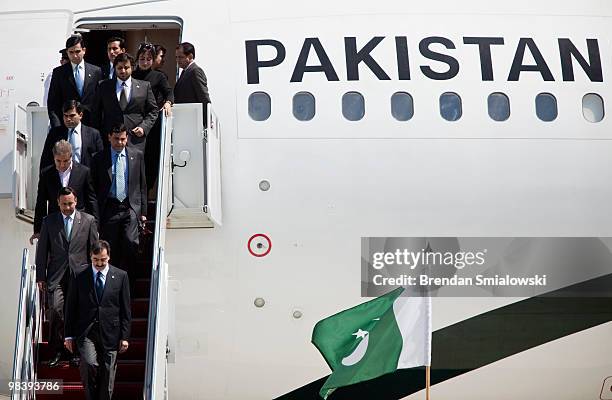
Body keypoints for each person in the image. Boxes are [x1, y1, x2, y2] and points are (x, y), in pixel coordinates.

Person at [36, 187, 98, 367]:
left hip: (80, 275)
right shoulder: (49, 221)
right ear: (58, 203)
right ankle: (57, 350)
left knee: (78, 314)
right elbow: (42, 252)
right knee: (55, 310)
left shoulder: (88, 220)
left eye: (70, 203)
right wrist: (41, 276)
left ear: (76, 201)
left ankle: (75, 353)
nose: (67, 207)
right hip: (56, 276)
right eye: (64, 204)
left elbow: (94, 250)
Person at [64, 240, 131, 400]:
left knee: (108, 375)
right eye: (95, 259)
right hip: (86, 331)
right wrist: (68, 335)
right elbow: (70, 307)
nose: (99, 263)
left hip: (111, 332)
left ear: (109, 257)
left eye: (103, 259)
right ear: (90, 257)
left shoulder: (121, 276)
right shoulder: (79, 275)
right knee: (89, 364)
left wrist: (124, 336)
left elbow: (125, 309)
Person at [91, 125, 146, 272]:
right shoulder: (99, 159)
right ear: (109, 137)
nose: (120, 143)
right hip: (109, 208)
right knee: (111, 248)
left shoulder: (137, 155)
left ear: (127, 138)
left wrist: (143, 212)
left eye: (123, 139)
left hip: (129, 207)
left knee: (131, 244)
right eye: (116, 139)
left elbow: (142, 186)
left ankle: (130, 284)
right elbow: (94, 189)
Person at [31, 141, 98, 244]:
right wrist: (38, 230)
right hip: (55, 224)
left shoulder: (84, 172)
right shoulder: (46, 174)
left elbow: (91, 200)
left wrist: (95, 227)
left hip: (79, 224)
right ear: (54, 157)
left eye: (66, 161)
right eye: (58, 161)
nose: (62, 165)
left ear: (71, 156)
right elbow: (41, 202)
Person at [93, 53, 158, 152]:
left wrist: (144, 127)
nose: (123, 71)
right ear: (115, 68)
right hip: (110, 139)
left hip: (135, 139)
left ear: (132, 67)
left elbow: (153, 110)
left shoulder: (144, 87)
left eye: (126, 67)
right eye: (119, 68)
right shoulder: (104, 86)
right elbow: (96, 111)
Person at [132, 43, 173, 190]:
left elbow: (169, 92)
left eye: (148, 58)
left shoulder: (159, 76)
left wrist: (168, 103)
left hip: (153, 124)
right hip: (134, 122)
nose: (145, 62)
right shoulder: (132, 74)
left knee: (150, 160)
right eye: (142, 58)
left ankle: (147, 192)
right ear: (137, 59)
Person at [47, 36, 102, 128]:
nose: (74, 55)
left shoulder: (96, 71)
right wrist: (57, 126)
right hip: (67, 124)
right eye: (71, 52)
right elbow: (53, 103)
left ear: (84, 50)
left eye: (77, 51)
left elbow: (100, 101)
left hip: (91, 125)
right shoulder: (59, 73)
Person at [40, 100, 104, 170]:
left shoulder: (93, 135)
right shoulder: (55, 134)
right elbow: (46, 159)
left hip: (86, 178)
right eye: (65, 115)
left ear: (80, 115)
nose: (68, 119)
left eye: (72, 115)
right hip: (61, 177)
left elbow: (100, 160)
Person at [174, 42, 211, 120]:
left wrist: (207, 120)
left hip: (193, 120)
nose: (177, 60)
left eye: (180, 57)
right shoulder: (185, 72)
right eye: (176, 57)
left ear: (190, 56)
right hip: (185, 119)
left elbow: (203, 97)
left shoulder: (195, 71)